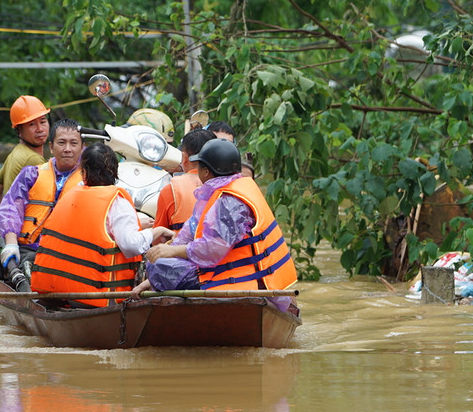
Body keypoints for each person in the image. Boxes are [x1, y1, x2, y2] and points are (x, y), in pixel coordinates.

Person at [133, 139, 298, 313]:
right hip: (238, 273)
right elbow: (187, 235)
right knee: (159, 265)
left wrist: (172, 252)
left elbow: (212, 249)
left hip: (244, 281)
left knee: (160, 266)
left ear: (205, 172)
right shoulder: (221, 193)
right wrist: (152, 276)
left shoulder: (229, 202)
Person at [30, 143, 172, 305]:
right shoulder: (117, 202)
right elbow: (131, 245)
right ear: (114, 172)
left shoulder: (71, 193)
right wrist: (156, 231)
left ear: (83, 172)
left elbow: (91, 227)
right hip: (94, 297)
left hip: (54, 289)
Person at [0, 119, 85, 286]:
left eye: (73, 143)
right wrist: (10, 243)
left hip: (71, 253)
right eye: (62, 143)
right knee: (29, 265)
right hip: (32, 251)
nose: (67, 149)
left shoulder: (90, 179)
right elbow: (11, 208)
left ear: (81, 148)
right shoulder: (31, 174)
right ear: (51, 147)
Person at [0, 96, 50, 217]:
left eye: (42, 122)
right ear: (19, 130)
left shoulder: (15, 153)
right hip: (27, 231)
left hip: (13, 231)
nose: (40, 129)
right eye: (32, 124)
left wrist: (0, 229)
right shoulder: (33, 159)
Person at [152, 128, 216, 233]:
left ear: (184, 158)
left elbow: (158, 238)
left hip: (181, 249)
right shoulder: (230, 183)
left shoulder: (171, 190)